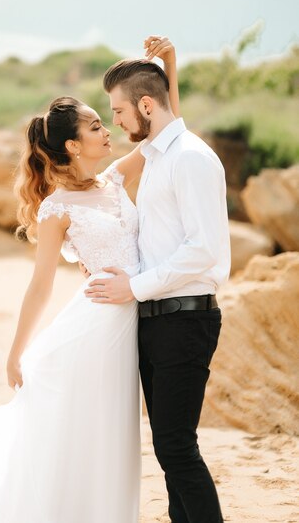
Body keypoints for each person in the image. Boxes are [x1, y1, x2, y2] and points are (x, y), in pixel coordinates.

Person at [0, 40, 180, 523]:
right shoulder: (57, 208)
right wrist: (14, 352)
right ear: (72, 145)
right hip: (94, 332)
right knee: (87, 437)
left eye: (105, 121)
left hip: (129, 321)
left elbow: (165, 133)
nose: (107, 130)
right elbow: (40, 286)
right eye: (95, 126)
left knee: (114, 441)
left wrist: (170, 65)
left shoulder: (115, 180)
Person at [84, 36, 231, 523]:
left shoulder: (189, 157)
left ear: (146, 105)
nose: (117, 121)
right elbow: (161, 242)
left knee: (176, 447)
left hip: (185, 319)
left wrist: (135, 286)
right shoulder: (159, 155)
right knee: (169, 451)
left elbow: (203, 249)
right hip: (157, 320)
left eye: (120, 111)